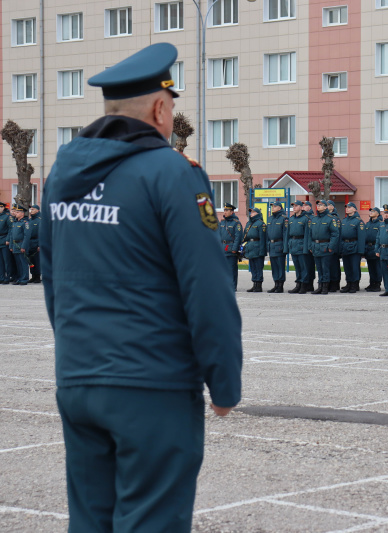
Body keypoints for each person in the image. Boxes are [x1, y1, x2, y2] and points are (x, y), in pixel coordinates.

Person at [40, 42, 242, 533]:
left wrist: (79, 354)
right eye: (171, 109)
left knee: (91, 521)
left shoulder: (62, 174)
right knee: (152, 519)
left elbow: (52, 277)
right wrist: (224, 382)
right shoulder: (173, 172)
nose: (172, 119)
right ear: (158, 107)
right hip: (150, 383)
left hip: (79, 377)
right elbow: (207, 284)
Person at [310, 199, 340, 294]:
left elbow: (335, 234)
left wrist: (331, 246)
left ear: (326, 207)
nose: (318, 206)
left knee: (325, 268)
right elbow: (310, 234)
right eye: (318, 205)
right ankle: (320, 286)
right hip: (316, 246)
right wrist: (311, 246)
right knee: (319, 268)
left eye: (321, 205)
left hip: (325, 246)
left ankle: (325, 287)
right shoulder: (314, 219)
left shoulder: (330, 219)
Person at [339, 202, 366, 293]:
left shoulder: (358, 221)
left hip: (354, 247)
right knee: (347, 267)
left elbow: (362, 237)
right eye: (346, 207)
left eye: (349, 207)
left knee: (354, 267)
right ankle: (349, 283)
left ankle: (355, 284)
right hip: (345, 247)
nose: (347, 209)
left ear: (354, 209)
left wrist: (361, 251)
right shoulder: (344, 220)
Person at [287, 200, 312, 294]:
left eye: (296, 206)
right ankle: (298, 284)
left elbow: (307, 235)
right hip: (293, 245)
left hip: (301, 245)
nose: (294, 207)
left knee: (303, 267)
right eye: (293, 206)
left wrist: (306, 247)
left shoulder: (306, 219)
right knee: (297, 267)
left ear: (301, 207)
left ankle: (304, 285)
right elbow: (288, 234)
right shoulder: (291, 219)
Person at [265, 202, 289, 293]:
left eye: (275, 206)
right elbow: (267, 233)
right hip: (272, 245)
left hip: (279, 244)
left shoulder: (284, 219)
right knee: (274, 266)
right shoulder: (270, 218)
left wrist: (285, 247)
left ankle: (280, 285)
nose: (273, 208)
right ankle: (275, 284)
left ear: (279, 208)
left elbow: (285, 234)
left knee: (280, 266)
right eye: (272, 206)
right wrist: (268, 244)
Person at [219, 202, 243, 291]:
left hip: (231, 248)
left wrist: (234, 249)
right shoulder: (222, 222)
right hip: (223, 247)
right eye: (224, 210)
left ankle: (232, 286)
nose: (224, 212)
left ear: (232, 212)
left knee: (232, 269)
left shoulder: (236, 223)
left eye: (227, 210)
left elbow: (238, 237)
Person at [243, 207, 267, 293]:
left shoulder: (261, 224)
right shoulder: (249, 223)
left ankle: (259, 285)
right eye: (250, 212)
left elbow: (263, 239)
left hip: (257, 247)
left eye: (253, 212)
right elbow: (244, 236)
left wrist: (262, 251)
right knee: (252, 267)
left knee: (258, 267)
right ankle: (254, 283)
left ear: (257, 214)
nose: (251, 214)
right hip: (250, 247)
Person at [7, 204, 31, 285]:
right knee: (18, 264)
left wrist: (23, 246)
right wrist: (11, 246)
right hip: (15, 245)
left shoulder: (25, 222)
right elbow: (11, 235)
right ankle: (20, 278)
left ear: (22, 213)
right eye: (16, 212)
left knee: (23, 263)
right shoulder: (15, 222)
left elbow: (27, 236)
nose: (15, 213)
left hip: (21, 244)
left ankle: (24, 279)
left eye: (17, 212)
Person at [364, 207, 383, 292]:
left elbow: (381, 237)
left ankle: (377, 284)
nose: (371, 212)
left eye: (373, 211)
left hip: (376, 247)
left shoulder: (380, 224)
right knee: (371, 267)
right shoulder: (368, 224)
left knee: (377, 267)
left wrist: (378, 249)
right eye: (370, 211)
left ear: (378, 214)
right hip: (368, 247)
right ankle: (372, 283)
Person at [326, 200, 343, 292]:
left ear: (332, 207)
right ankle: (328, 283)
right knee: (327, 266)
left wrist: (336, 247)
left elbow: (337, 234)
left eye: (328, 205)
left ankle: (335, 284)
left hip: (334, 246)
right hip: (325, 245)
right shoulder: (325, 217)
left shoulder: (335, 218)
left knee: (334, 266)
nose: (327, 206)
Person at [26, 204, 43, 283]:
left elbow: (41, 233)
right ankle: (33, 275)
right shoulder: (30, 220)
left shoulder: (39, 220)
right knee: (31, 260)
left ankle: (37, 276)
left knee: (37, 260)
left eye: (33, 209)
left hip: (36, 241)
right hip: (30, 242)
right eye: (30, 209)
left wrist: (39, 244)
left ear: (37, 210)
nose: (31, 211)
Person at [0, 201, 12, 284]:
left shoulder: (7, 217)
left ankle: (8, 277)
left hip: (4, 240)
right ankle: (1, 277)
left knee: (6, 261)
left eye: (0, 207)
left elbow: (11, 229)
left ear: (3, 208)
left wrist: (7, 239)